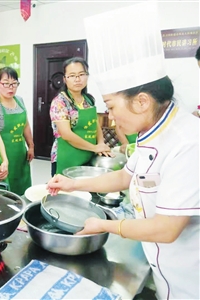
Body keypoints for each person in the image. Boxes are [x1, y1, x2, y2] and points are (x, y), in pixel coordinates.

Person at [49, 3, 199, 299]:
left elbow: (167, 229)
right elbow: (122, 178)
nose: (112, 118)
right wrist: (72, 184)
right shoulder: (150, 131)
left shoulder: (188, 142)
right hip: (164, 270)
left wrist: (105, 224)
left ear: (142, 101)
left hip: (190, 280)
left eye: (113, 107)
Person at [49, 57, 111, 176]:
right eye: (72, 76)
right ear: (65, 79)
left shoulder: (89, 99)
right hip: (66, 158)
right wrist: (94, 148)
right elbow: (66, 134)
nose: (77, 79)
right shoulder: (60, 102)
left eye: (81, 74)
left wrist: (101, 143)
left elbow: (95, 123)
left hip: (88, 156)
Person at [0, 67, 33, 195]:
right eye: (6, 84)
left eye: (14, 84)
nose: (11, 88)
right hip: (3, 155)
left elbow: (25, 124)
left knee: (23, 185)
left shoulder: (19, 100)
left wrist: (31, 146)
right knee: (7, 190)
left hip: (20, 152)